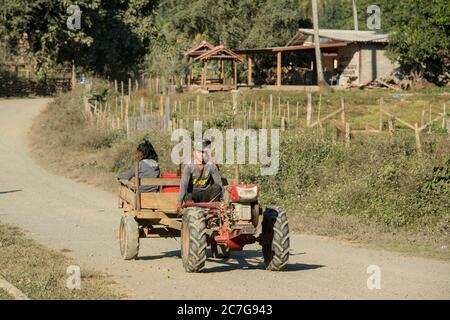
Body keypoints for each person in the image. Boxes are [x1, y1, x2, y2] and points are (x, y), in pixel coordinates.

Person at [176, 142, 223, 214]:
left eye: (203, 152)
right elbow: (183, 185)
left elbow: (219, 184)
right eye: (199, 152)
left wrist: (222, 201)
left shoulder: (211, 166)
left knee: (217, 187)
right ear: (194, 153)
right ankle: (190, 211)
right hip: (192, 194)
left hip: (205, 193)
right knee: (187, 194)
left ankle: (212, 212)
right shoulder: (189, 166)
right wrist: (179, 203)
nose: (201, 155)